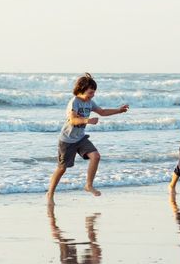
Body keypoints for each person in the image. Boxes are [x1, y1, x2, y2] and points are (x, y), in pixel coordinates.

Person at [46, 73, 129, 204]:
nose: (93, 95)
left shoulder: (89, 102)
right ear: (82, 89)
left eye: (94, 92)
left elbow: (102, 112)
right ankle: (50, 193)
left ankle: (88, 185)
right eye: (90, 92)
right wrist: (88, 120)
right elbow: (73, 120)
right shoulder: (74, 102)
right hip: (67, 140)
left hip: (80, 138)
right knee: (62, 168)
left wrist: (119, 110)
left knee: (96, 156)